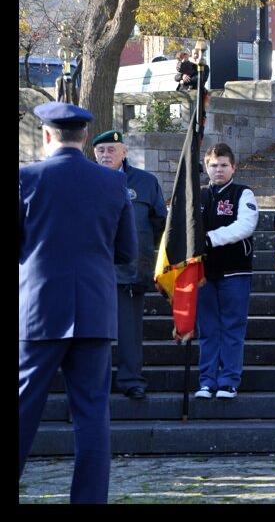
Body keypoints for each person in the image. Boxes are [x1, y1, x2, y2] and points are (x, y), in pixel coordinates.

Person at [20, 102, 138, 503]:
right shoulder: (113, 184)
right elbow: (126, 252)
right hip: (94, 309)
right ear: (85, 138)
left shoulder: (26, 178)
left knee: (22, 408)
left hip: (39, 309)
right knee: (92, 417)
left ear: (47, 135)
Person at [92, 130, 167, 400]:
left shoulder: (145, 182)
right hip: (93, 273)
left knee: (129, 331)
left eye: (112, 149)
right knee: (93, 332)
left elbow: (161, 222)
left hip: (132, 270)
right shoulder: (86, 181)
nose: (105, 155)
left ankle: (131, 380)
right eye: (100, 150)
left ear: (124, 151)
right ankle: (93, 383)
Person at [194, 143, 258, 400]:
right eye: (213, 165)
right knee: (208, 329)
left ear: (233, 167)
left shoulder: (243, 193)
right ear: (206, 167)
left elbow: (245, 226)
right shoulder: (198, 195)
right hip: (203, 273)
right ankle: (207, 381)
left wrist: (210, 238)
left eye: (223, 165)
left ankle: (229, 380)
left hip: (235, 272)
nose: (218, 170)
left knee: (233, 327)